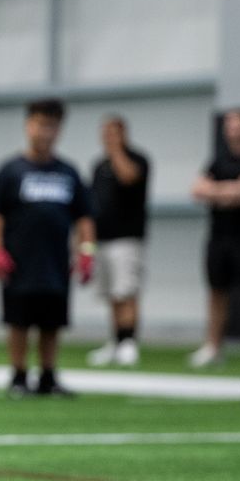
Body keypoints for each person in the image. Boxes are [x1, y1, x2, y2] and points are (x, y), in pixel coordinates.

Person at [0, 98, 95, 398]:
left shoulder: (68, 172)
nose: (46, 132)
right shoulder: (11, 170)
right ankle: (19, 376)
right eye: (41, 124)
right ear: (29, 125)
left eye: (53, 126)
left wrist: (87, 252)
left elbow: (83, 216)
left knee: (51, 322)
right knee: (19, 321)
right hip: (20, 261)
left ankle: (48, 376)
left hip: (55, 261)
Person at [189, 109, 240, 368]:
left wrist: (218, 191)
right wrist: (230, 191)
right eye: (228, 125)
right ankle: (212, 346)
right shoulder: (218, 161)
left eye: (237, 125)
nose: (231, 130)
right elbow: (198, 189)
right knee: (216, 291)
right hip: (219, 237)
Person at [86, 116, 150, 367]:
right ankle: (116, 340)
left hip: (127, 237)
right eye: (105, 133)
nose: (108, 138)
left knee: (126, 291)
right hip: (103, 238)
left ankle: (129, 341)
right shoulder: (99, 166)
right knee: (111, 293)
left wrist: (116, 151)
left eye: (113, 133)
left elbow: (128, 177)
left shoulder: (137, 160)